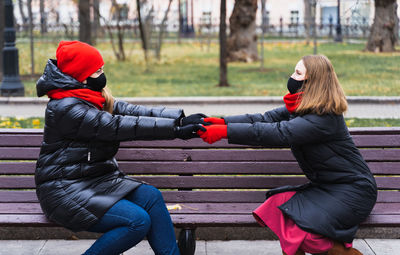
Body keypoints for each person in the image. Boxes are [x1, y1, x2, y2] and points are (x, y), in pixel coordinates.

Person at [35, 40, 205, 255]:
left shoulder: (89, 97)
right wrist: (175, 130)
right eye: (97, 71)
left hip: (96, 181)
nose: (102, 75)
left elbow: (131, 112)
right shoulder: (66, 107)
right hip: (64, 190)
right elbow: (117, 126)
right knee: (136, 221)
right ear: (81, 75)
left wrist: (179, 119)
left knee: (151, 196)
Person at [197, 55, 376, 255]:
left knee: (302, 230)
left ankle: (342, 252)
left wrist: (225, 132)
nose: (292, 77)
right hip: (327, 187)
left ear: (313, 82)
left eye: (298, 73)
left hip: (353, 191)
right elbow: (263, 119)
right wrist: (222, 122)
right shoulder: (300, 106)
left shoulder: (324, 117)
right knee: (278, 204)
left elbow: (280, 133)